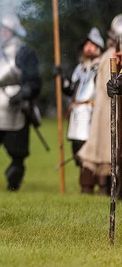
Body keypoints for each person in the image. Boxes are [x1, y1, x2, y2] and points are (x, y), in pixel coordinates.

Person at [0, 14, 41, 191]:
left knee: (17, 152)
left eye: (6, 30)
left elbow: (33, 81)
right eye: (2, 30)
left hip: (17, 108)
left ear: (12, 32)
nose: (3, 33)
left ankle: (14, 183)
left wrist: (22, 94)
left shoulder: (24, 52)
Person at [78, 14, 122, 194]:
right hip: (104, 109)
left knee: (110, 149)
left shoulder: (112, 56)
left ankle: (107, 188)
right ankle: (95, 186)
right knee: (100, 148)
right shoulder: (109, 56)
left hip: (115, 108)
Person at [58, 28, 104, 193]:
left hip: (94, 111)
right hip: (77, 113)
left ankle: (99, 184)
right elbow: (71, 90)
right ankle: (86, 183)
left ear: (99, 48)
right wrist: (62, 78)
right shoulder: (80, 68)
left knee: (93, 149)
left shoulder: (102, 66)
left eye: (93, 45)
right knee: (78, 149)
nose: (89, 48)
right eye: (87, 45)